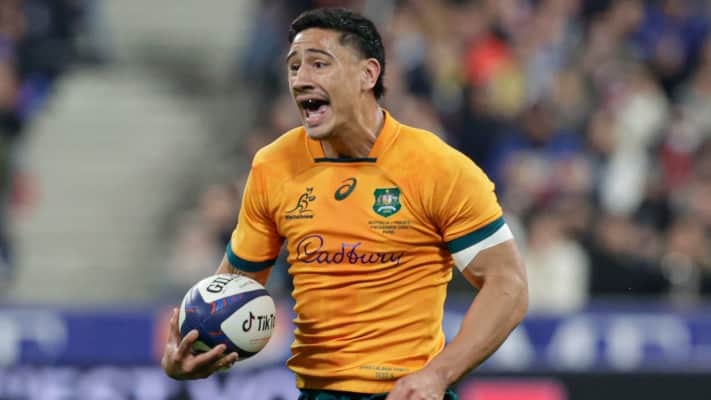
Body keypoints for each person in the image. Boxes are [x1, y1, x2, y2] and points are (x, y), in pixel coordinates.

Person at [161, 8, 528, 400]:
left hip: (404, 394)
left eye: (319, 64)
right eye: (294, 67)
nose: (301, 79)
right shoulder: (273, 165)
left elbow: (508, 285)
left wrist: (438, 374)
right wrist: (195, 346)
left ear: (367, 75)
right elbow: (235, 288)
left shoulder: (439, 168)